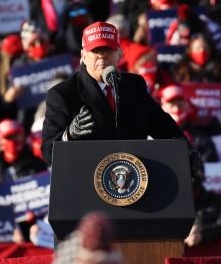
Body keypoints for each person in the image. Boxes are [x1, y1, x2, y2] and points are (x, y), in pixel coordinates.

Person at [41, 21, 189, 164]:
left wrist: (186, 151)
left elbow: (162, 126)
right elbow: (48, 152)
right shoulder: (63, 94)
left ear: (119, 54)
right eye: (95, 50)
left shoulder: (134, 85)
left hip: (135, 179)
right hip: (87, 181)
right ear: (83, 56)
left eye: (107, 49)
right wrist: (69, 136)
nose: (102, 55)